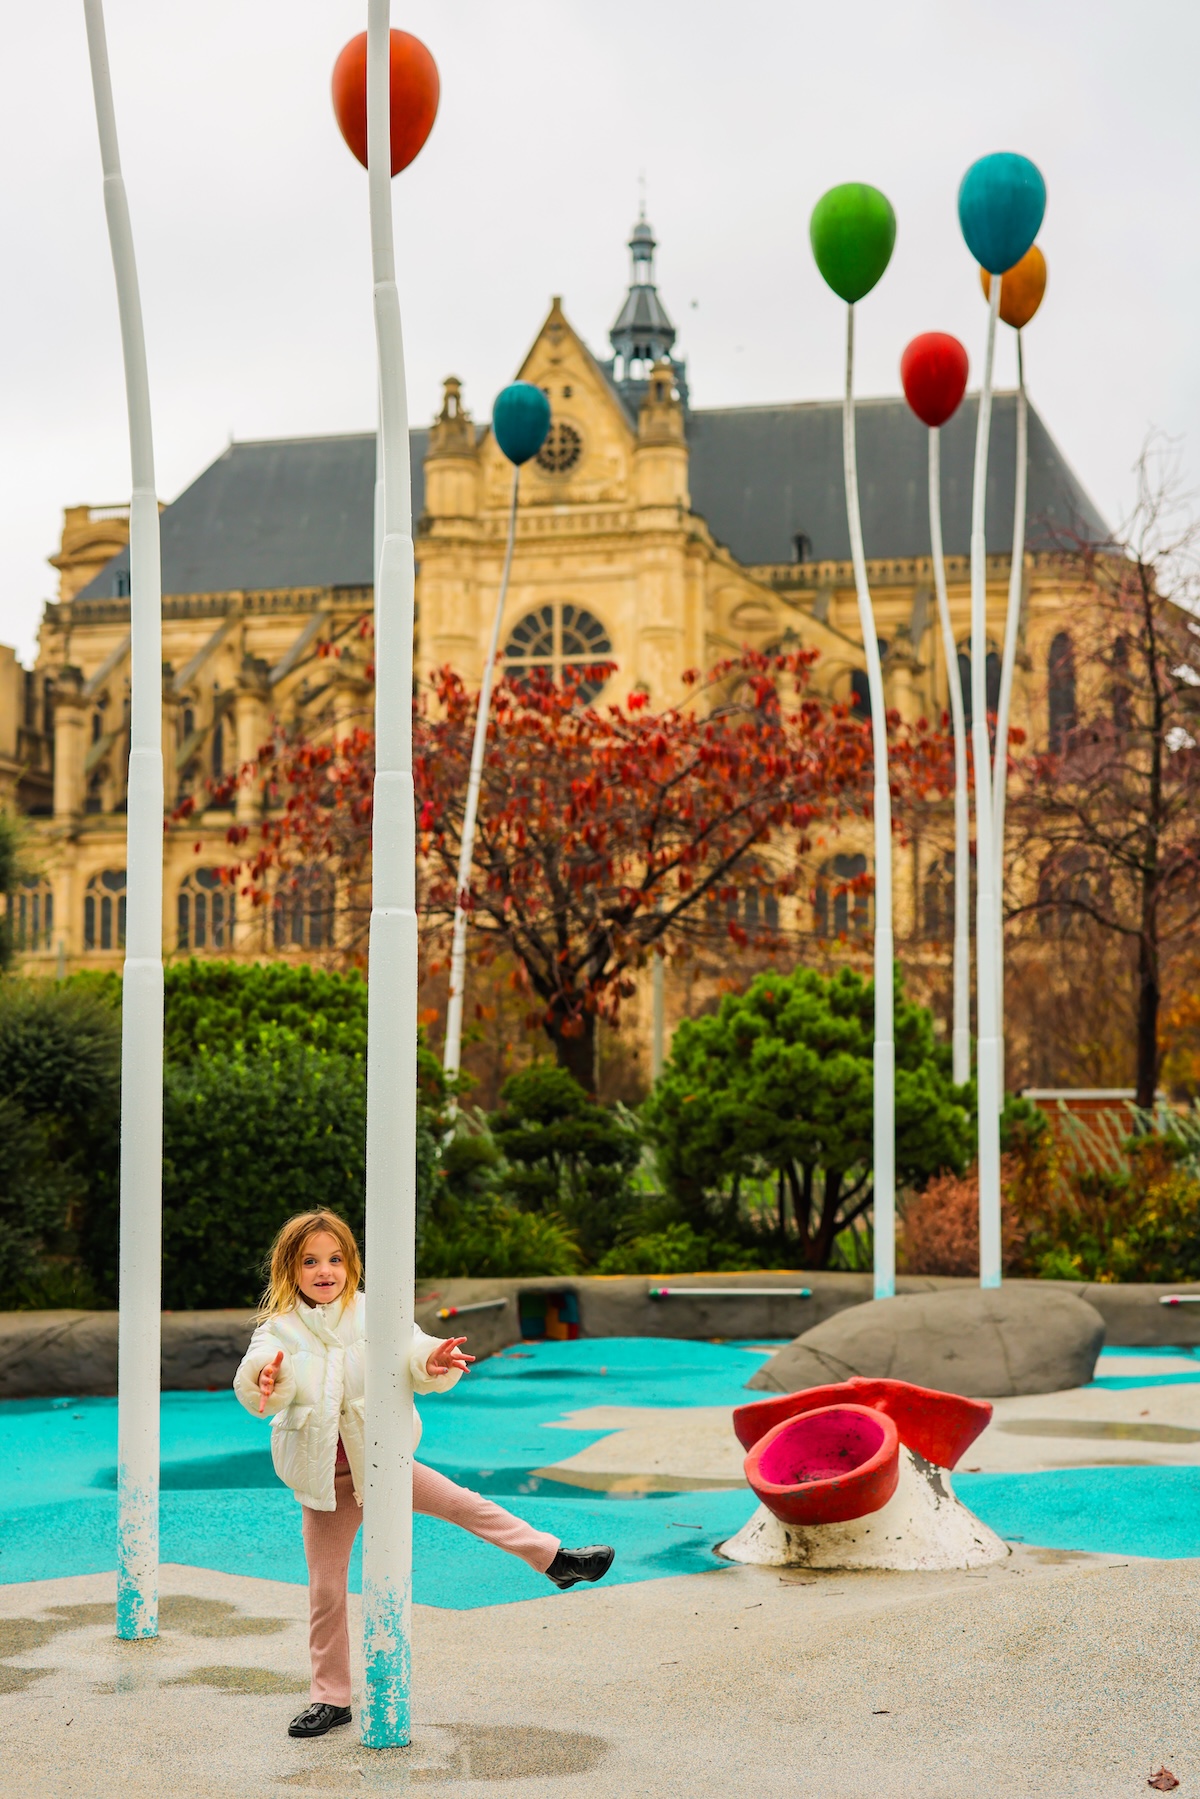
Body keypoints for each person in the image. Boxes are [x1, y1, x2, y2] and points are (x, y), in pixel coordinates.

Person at [234, 1208, 614, 1739]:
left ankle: (554, 1559)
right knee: (326, 1588)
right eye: (310, 1261)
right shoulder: (281, 1329)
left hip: (384, 1463)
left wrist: (432, 1360)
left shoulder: (372, 1313)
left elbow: (411, 1349)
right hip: (328, 1481)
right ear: (289, 1271)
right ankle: (331, 1697)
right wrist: (265, 1378)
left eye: (336, 1259)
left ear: (352, 1264)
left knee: (466, 1504)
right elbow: (258, 1373)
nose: (325, 1271)